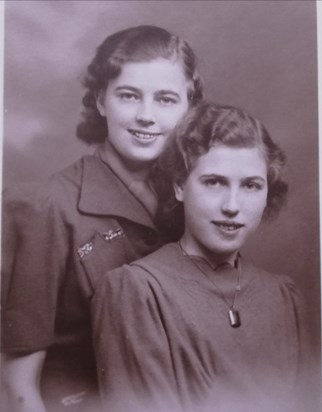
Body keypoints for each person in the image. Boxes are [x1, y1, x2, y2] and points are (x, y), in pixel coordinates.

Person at [1, 25, 203, 412]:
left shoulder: (190, 200)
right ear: (100, 100)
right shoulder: (44, 207)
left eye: (165, 99)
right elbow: (16, 391)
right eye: (128, 96)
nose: (146, 116)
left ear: (188, 108)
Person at [91, 102, 311, 412]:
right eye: (214, 182)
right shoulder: (138, 291)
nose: (232, 205)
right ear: (180, 185)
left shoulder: (284, 298)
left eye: (250, 185)